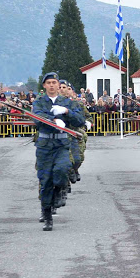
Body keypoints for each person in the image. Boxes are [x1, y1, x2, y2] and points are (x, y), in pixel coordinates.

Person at [32, 72, 85, 231]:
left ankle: (58, 192)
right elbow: (37, 117)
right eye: (48, 83)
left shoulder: (66, 102)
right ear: (44, 86)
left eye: (54, 82)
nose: (52, 85)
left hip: (61, 143)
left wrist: (67, 112)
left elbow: (80, 119)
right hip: (45, 144)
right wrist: (53, 120)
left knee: (62, 171)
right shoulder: (39, 102)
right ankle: (47, 214)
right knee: (45, 179)